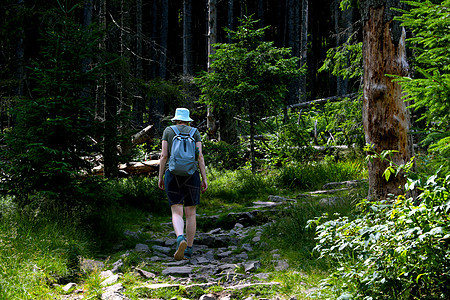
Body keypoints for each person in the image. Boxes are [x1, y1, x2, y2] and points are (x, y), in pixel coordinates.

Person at [158, 108, 208, 260]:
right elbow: (199, 157)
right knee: (191, 213)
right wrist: (204, 178)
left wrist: (160, 176)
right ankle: (189, 249)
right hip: (192, 175)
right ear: (187, 120)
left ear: (175, 119)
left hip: (172, 174)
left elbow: (164, 155)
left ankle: (180, 238)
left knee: (176, 211)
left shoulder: (168, 131)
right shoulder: (195, 132)